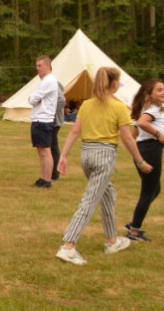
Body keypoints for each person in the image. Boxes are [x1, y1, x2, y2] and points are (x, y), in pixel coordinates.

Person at [54, 67, 152, 265]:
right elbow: (127, 139)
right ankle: (68, 246)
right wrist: (140, 161)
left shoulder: (86, 105)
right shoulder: (118, 107)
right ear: (114, 83)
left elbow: (74, 132)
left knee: (108, 195)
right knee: (89, 201)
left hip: (86, 156)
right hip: (104, 157)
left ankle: (111, 241)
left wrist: (63, 156)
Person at [125, 79, 164, 242]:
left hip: (146, 150)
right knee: (148, 191)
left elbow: (135, 132)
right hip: (150, 151)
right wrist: (158, 135)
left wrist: (136, 150)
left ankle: (133, 223)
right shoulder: (152, 110)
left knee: (155, 189)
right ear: (150, 94)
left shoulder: (150, 109)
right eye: (159, 90)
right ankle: (134, 231)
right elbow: (142, 123)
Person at [28, 56, 59, 188]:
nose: (37, 68)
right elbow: (35, 98)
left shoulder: (49, 80)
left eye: (39, 65)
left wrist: (32, 98)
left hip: (43, 119)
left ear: (47, 66)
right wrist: (34, 98)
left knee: (46, 151)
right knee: (41, 150)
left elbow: (33, 99)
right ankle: (43, 177)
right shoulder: (45, 81)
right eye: (36, 65)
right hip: (39, 119)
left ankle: (47, 180)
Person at [50, 82, 67, 181]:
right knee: (51, 148)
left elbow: (61, 100)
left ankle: (55, 175)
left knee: (53, 148)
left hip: (54, 122)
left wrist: (50, 111)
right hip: (54, 121)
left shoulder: (53, 83)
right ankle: (52, 173)